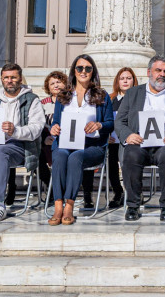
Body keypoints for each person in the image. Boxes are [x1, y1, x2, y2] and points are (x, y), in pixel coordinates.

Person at [115, 55, 165, 222]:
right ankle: (133, 205)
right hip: (139, 140)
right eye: (158, 70)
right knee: (130, 155)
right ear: (148, 72)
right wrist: (128, 135)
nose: (162, 74)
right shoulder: (132, 94)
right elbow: (120, 120)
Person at [0, 63, 45, 224]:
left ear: (20, 79)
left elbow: (37, 128)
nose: (9, 81)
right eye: (6, 78)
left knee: (0, 151)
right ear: (2, 79)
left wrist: (15, 130)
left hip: (19, 146)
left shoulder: (32, 100)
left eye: (13, 77)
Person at [48, 55, 115, 226]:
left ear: (93, 72)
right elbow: (56, 121)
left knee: (76, 157)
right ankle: (58, 205)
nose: (83, 71)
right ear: (74, 71)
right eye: (79, 68)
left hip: (91, 146)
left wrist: (98, 124)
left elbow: (110, 123)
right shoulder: (63, 96)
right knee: (61, 156)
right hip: (65, 143)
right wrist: (54, 128)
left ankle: (69, 206)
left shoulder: (102, 96)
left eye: (87, 68)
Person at [89, 66, 135, 210]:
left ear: (134, 81)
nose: (125, 81)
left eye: (128, 78)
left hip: (131, 141)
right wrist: (105, 135)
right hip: (113, 141)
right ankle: (118, 192)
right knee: (111, 163)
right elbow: (104, 120)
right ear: (117, 81)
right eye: (122, 78)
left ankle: (134, 191)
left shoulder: (138, 98)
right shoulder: (110, 98)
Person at [38, 70, 66, 197]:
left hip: (65, 141)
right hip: (47, 141)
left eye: (59, 82)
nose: (56, 85)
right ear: (48, 87)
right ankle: (50, 185)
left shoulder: (70, 101)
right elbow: (38, 124)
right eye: (52, 83)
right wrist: (45, 138)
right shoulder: (42, 104)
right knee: (36, 157)